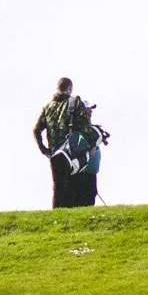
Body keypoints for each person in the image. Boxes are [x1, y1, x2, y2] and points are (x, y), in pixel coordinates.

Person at [33, 78, 108, 208]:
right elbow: (86, 128)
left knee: (59, 190)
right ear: (69, 88)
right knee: (76, 191)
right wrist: (92, 146)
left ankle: (57, 220)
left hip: (55, 154)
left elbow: (36, 130)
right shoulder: (74, 102)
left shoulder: (47, 108)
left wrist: (45, 150)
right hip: (71, 152)